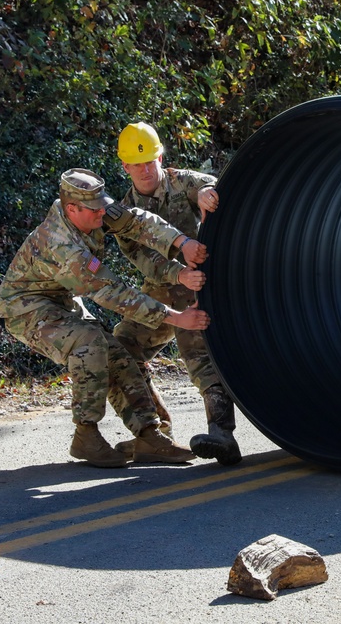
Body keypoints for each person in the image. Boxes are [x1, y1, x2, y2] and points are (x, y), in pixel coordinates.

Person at [0, 168, 210, 468]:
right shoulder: (61, 246)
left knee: (116, 353)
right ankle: (86, 435)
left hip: (61, 299)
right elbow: (112, 293)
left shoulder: (92, 210)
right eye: (95, 210)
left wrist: (181, 242)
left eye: (102, 207)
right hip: (25, 308)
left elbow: (137, 222)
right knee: (89, 343)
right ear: (73, 209)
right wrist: (176, 318)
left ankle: (149, 435)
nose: (102, 214)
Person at [109, 122, 242, 466]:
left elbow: (215, 186)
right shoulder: (123, 214)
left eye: (150, 161)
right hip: (163, 287)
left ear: (160, 157)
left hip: (204, 283)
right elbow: (144, 259)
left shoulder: (181, 181)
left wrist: (208, 194)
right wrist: (177, 273)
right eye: (136, 164)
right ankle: (153, 433)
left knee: (197, 348)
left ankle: (222, 435)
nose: (145, 170)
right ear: (125, 167)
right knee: (120, 346)